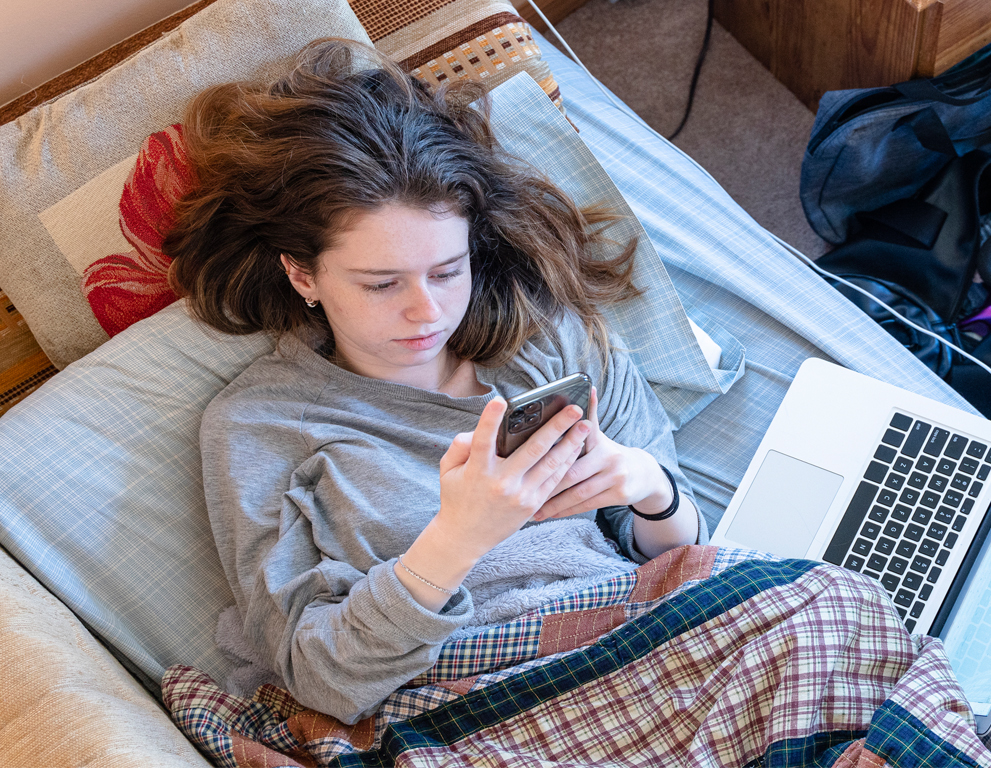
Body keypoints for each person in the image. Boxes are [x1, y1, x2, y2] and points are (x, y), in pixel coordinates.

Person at [164, 39, 705, 724]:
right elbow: (319, 677)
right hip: (478, 701)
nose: (427, 310)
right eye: (382, 283)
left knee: (838, 603)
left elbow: (686, 556)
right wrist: (458, 538)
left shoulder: (549, 340)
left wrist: (653, 491)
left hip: (647, 645)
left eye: (447, 271)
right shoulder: (262, 424)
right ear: (303, 275)